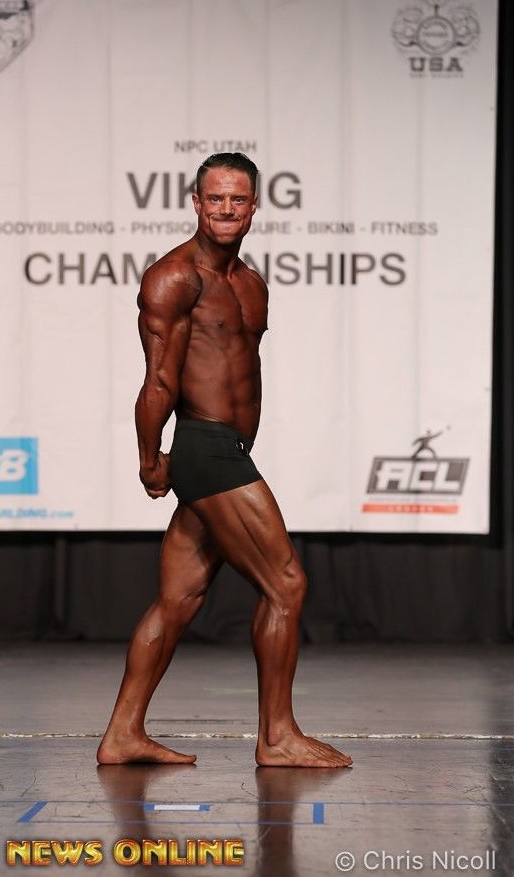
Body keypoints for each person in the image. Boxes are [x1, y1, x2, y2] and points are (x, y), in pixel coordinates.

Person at [97, 153, 352, 768]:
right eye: (215, 199)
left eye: (238, 199)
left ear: (255, 206)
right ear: (196, 203)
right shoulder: (173, 278)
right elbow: (160, 379)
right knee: (286, 584)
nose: (227, 210)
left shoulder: (251, 283)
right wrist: (151, 458)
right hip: (206, 448)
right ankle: (277, 737)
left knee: (177, 601)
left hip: (230, 447)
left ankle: (122, 733)